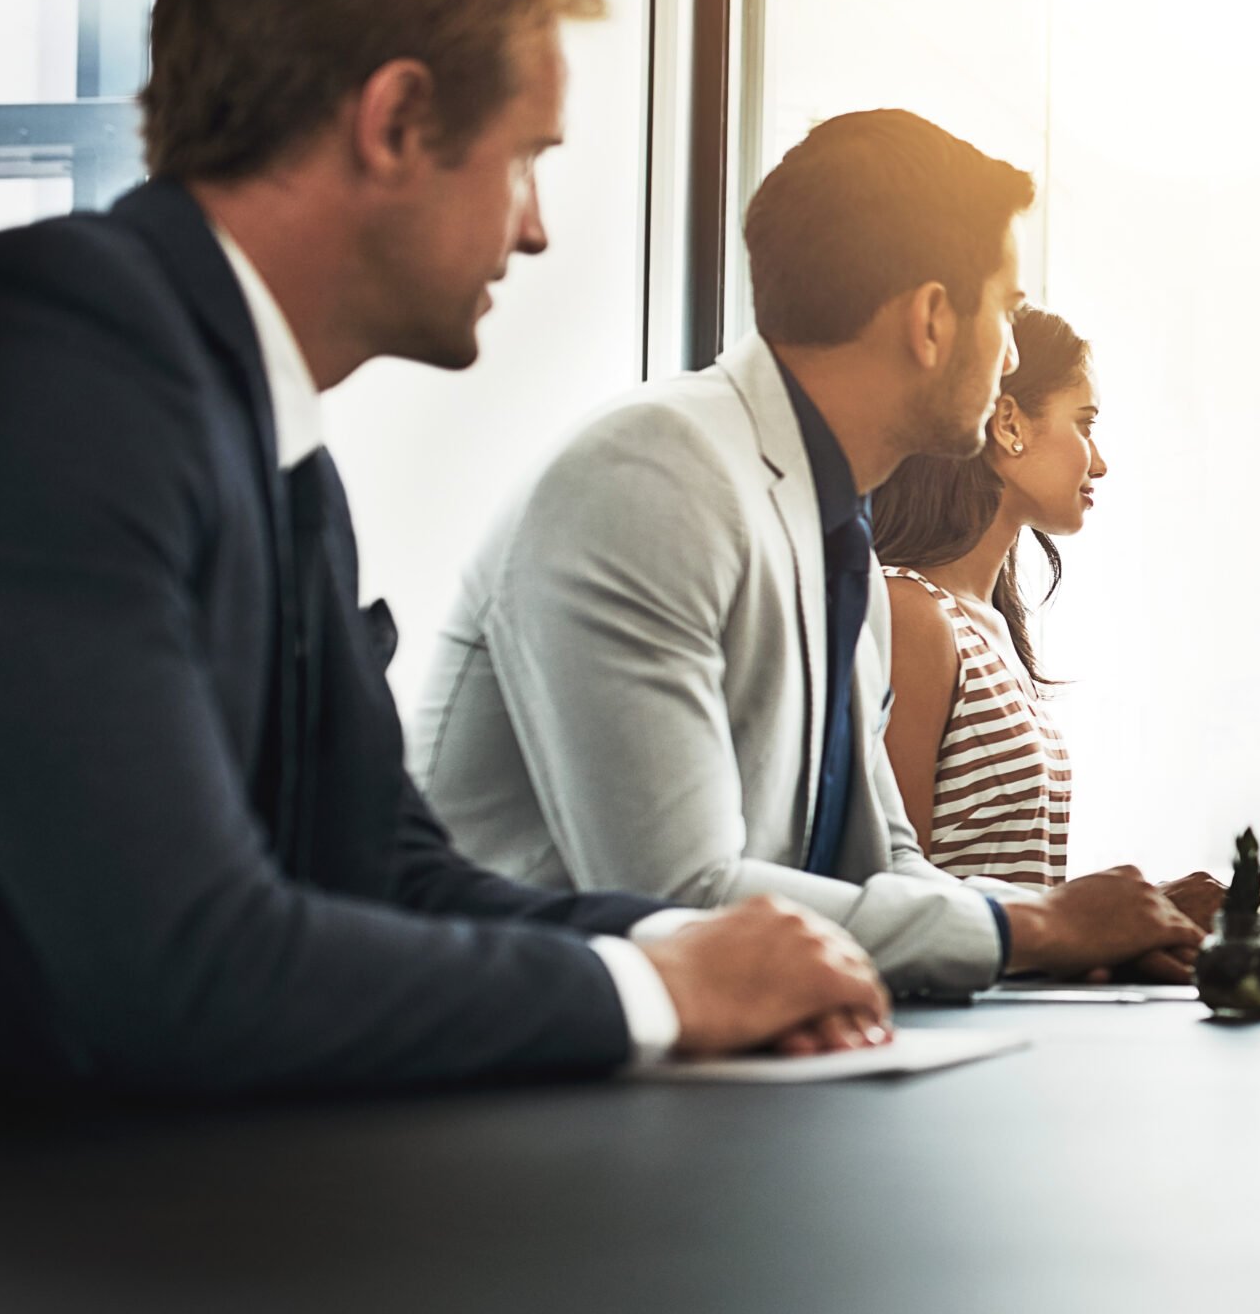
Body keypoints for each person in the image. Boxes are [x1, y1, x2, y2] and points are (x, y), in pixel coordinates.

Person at [0, 0, 889, 1095]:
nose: (536, 225)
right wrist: (661, 995)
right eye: (525, 157)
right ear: (392, 123)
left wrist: (685, 945)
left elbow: (386, 873)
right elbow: (180, 967)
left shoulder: (271, 450)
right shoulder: (57, 357)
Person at [413, 110, 1203, 993]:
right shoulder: (651, 476)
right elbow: (679, 899)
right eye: (1007, 313)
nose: (1012, 349)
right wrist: (1041, 922)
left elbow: (885, 866)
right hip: (536, 1083)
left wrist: (1096, 929)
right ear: (933, 320)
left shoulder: (839, 545)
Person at [870, 308, 1227, 922]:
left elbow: (989, 880)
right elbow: (898, 895)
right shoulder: (911, 615)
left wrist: (1137, 913)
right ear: (1009, 424)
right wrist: (1096, 917)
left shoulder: (991, 625)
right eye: (1084, 425)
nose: (1099, 462)